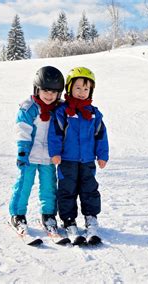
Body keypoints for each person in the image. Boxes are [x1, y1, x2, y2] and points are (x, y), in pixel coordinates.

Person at [49, 67, 109, 245]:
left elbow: (101, 135)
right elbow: (55, 133)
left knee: (89, 189)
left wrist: (102, 155)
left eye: (86, 89)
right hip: (67, 160)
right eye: (78, 88)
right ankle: (69, 221)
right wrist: (55, 153)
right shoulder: (63, 112)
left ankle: (91, 219)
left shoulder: (93, 113)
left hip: (87, 161)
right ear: (69, 88)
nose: (82, 92)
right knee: (67, 191)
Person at [9, 66, 65, 235]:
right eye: (46, 91)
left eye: (54, 92)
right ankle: (17, 215)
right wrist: (22, 153)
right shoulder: (29, 108)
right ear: (37, 89)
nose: (49, 95)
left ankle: (48, 215)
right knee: (24, 185)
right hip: (30, 156)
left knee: (49, 187)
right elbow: (23, 131)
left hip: (49, 157)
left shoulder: (59, 109)